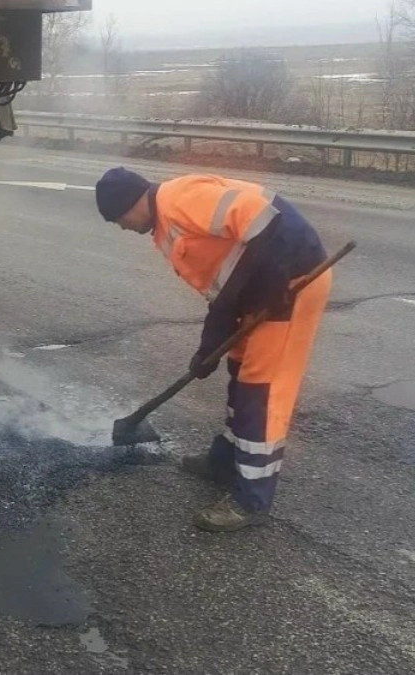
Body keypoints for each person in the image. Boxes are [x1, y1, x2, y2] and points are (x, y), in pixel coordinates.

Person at [95, 168, 331, 532]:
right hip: (255, 296)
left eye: (119, 218)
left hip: (289, 287)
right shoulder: (162, 228)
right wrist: (212, 342)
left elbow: (266, 219)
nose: (122, 227)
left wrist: (277, 282)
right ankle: (225, 461)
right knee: (240, 378)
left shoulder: (181, 199)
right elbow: (223, 285)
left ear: (132, 202)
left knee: (261, 392)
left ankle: (250, 500)